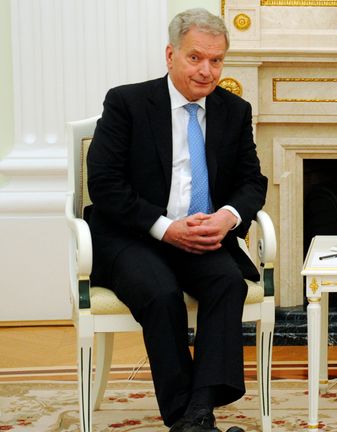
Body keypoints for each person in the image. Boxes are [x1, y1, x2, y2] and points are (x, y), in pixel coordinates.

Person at [87, 9, 267, 432]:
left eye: (217, 60)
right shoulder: (127, 102)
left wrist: (227, 218)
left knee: (227, 282)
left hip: (200, 235)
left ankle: (197, 413)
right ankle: (188, 417)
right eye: (195, 58)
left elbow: (252, 181)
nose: (207, 71)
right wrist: (165, 228)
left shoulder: (234, 110)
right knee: (160, 292)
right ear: (171, 55)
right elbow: (105, 184)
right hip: (133, 235)